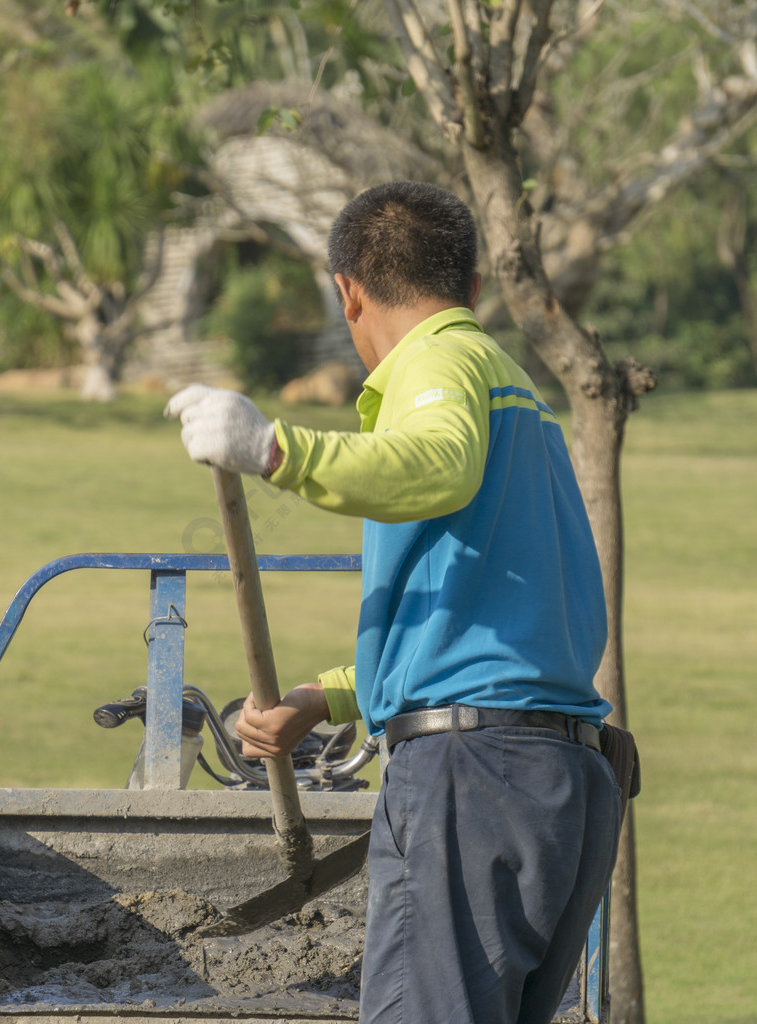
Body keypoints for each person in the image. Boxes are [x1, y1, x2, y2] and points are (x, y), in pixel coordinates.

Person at [164, 181, 622, 1024]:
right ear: (474, 286)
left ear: (349, 292)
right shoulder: (513, 386)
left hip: (474, 781)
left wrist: (273, 449)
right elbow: (496, 616)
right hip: (562, 778)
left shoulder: (439, 364)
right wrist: (331, 697)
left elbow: (437, 462)